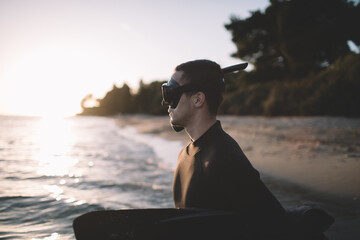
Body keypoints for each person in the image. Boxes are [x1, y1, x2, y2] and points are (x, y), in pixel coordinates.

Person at [161, 59, 285, 224]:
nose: (166, 102)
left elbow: (276, 223)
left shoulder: (223, 156)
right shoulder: (184, 154)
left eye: (171, 92)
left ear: (198, 99)